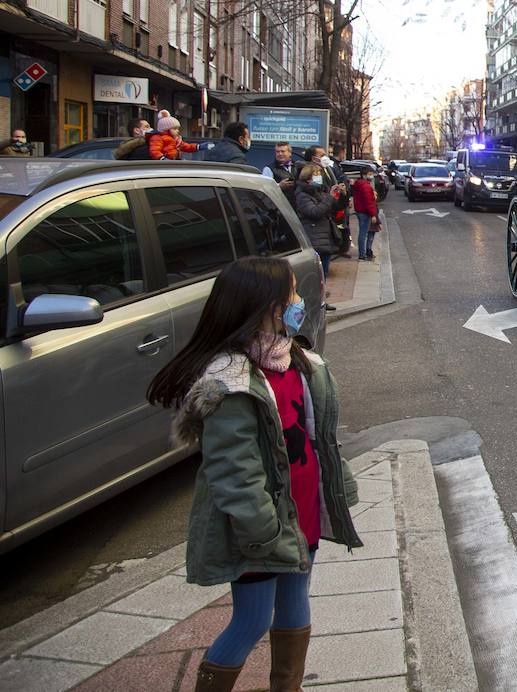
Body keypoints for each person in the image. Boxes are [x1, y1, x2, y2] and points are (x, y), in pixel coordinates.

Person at [145, 257, 362, 692]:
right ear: (269, 306)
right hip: (259, 528)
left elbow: (321, 437)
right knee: (251, 621)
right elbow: (234, 472)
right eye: (292, 294)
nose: (299, 301)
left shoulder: (298, 361)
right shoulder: (231, 382)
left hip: (302, 515)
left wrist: (335, 491)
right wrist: (262, 531)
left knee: (296, 604)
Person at [294, 164, 340, 284]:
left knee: (323, 273)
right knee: (317, 276)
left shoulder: (318, 191)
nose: (319, 177)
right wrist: (330, 198)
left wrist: (340, 196)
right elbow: (314, 212)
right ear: (308, 177)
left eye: (319, 174)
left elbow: (332, 207)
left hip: (323, 237)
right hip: (314, 237)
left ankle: (323, 298)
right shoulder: (302, 195)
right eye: (316, 174)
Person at [351, 167, 380, 261]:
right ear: (364, 174)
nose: (371, 176)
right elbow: (369, 202)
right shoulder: (365, 186)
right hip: (365, 212)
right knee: (363, 233)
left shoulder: (359, 184)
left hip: (360, 210)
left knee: (363, 233)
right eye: (370, 174)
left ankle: (363, 253)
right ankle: (362, 255)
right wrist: (373, 214)